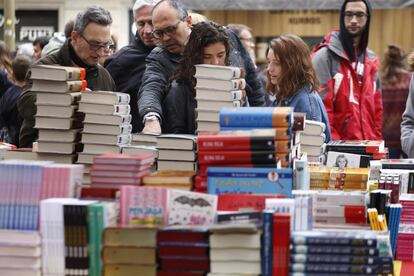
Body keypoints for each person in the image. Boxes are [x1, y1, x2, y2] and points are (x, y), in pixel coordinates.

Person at [138, 0, 265, 135]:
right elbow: (150, 87)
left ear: (188, 21)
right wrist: (151, 119)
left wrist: (264, 123)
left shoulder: (226, 37)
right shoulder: (160, 58)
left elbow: (253, 82)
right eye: (159, 33)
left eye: (171, 29)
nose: (166, 38)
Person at [17, 5, 116, 148]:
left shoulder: (104, 76)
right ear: (75, 37)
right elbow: (25, 104)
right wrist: (72, 99)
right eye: (94, 44)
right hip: (46, 152)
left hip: (88, 154)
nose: (100, 52)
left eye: (106, 45)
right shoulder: (45, 67)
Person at [312, 0, 382, 140]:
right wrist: (335, 148)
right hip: (338, 153)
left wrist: (376, 143)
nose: (354, 20)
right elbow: (321, 111)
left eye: (359, 15)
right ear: (342, 17)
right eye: (349, 14)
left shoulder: (372, 60)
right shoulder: (324, 58)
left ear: (368, 18)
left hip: (368, 148)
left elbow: (377, 111)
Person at [163, 21, 230, 134]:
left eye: (220, 55)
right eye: (207, 56)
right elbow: (174, 137)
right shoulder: (179, 89)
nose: (215, 63)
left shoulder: (233, 84)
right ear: (195, 57)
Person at [105, 0, 159, 133]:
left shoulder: (175, 54)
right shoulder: (119, 61)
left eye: (152, 22)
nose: (147, 30)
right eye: (141, 23)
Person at [266, 34, 331, 141]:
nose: (269, 69)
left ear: (294, 65)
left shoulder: (305, 101)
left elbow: (308, 152)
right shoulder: (285, 94)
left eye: (277, 63)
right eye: (269, 62)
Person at [381, 44, 411, 158]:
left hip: (387, 138)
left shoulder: (381, 81)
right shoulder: (410, 80)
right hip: (407, 136)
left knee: (389, 173)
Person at [0, 56, 31, 146]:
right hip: (20, 142)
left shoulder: (7, 94)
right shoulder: (28, 96)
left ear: (12, 75)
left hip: (6, 140)